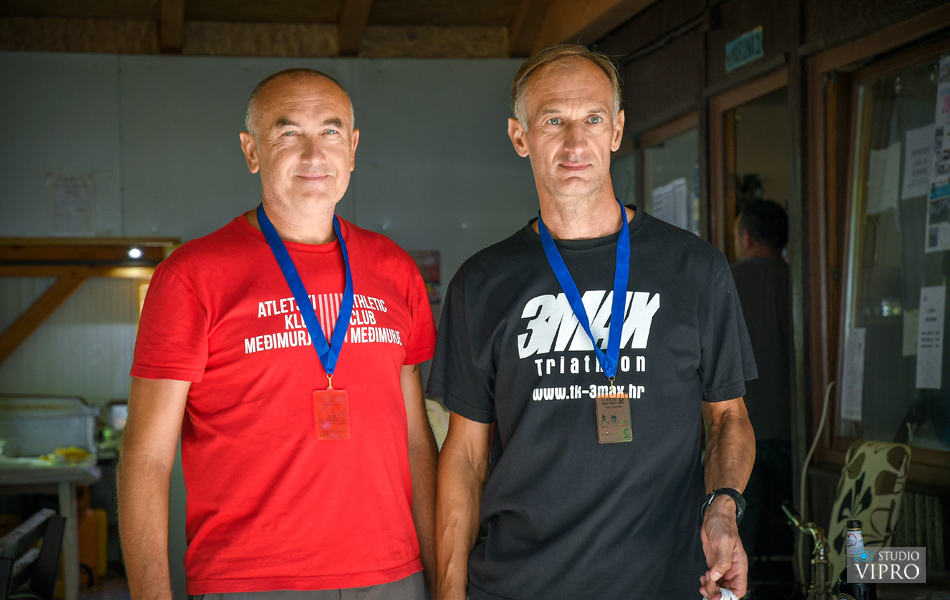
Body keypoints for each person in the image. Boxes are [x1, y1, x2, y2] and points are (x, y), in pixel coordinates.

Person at [427, 45, 757, 600]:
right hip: (516, 587)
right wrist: (449, 592)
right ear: (520, 136)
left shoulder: (695, 269)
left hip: (666, 585)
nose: (576, 143)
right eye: (554, 121)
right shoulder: (480, 283)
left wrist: (722, 508)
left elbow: (728, 418)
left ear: (617, 130)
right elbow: (464, 457)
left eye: (594, 119)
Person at [118, 68, 438, 600]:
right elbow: (146, 456)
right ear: (251, 151)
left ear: (353, 148)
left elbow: (416, 441)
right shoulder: (192, 276)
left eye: (331, 131)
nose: (314, 153)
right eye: (288, 133)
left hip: (392, 576)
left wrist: (441, 578)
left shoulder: (395, 269)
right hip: (249, 580)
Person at [731, 200, 793, 562]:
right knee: (797, 531)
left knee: (742, 540)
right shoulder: (802, 279)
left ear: (747, 238)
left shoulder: (727, 280)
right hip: (798, 433)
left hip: (741, 430)